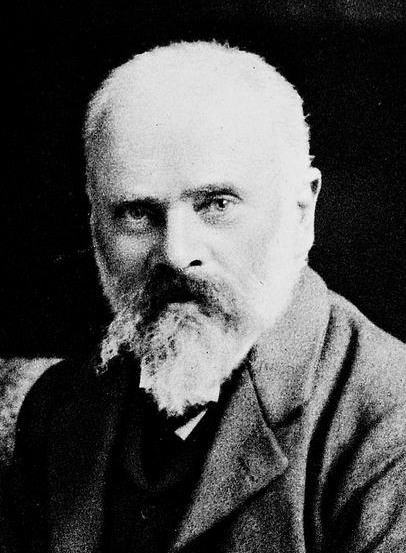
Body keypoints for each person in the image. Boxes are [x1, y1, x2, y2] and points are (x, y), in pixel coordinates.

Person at [4, 41, 406, 552]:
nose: (176, 253)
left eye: (217, 204)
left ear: (301, 212)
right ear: (94, 223)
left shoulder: (389, 421)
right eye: (137, 213)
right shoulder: (57, 409)